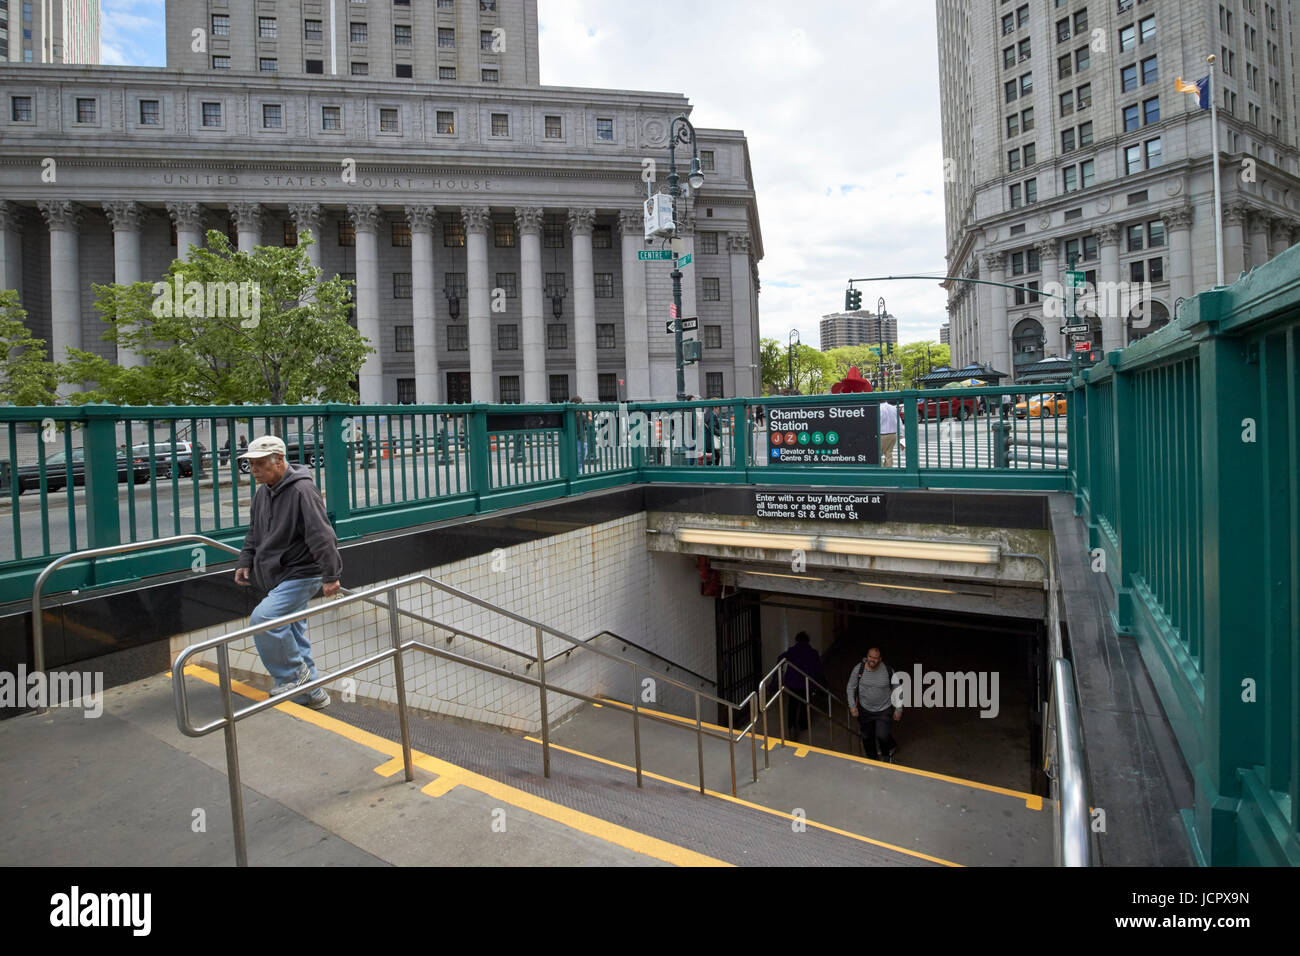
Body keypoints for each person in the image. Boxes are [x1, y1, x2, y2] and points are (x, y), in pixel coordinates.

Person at [235, 436, 342, 708]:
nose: (255, 470)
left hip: (302, 573)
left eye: (260, 464)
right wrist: (245, 560)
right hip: (276, 574)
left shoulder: (302, 491)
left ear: (279, 460)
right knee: (292, 632)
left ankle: (294, 676)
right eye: (252, 465)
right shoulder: (263, 493)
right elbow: (254, 532)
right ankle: (314, 694)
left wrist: (331, 575)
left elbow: (321, 535)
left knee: (265, 620)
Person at [847, 647, 902, 760]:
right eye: (870, 657)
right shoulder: (859, 669)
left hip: (884, 710)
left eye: (875, 658)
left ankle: (886, 757)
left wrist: (898, 709)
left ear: (880, 659)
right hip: (864, 710)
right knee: (867, 737)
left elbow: (897, 689)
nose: (872, 660)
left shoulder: (888, 670)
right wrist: (852, 706)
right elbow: (850, 688)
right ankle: (873, 760)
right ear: (867, 657)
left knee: (882, 736)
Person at [777, 631, 826, 734]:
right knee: (805, 703)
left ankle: (791, 726)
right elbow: (818, 670)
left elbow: (780, 658)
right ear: (808, 641)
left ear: (796, 640)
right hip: (806, 683)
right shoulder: (813, 653)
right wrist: (822, 684)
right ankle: (803, 724)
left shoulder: (792, 651)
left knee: (792, 705)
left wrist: (779, 674)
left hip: (793, 683)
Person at [879, 400, 899, 468]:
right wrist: (901, 435)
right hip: (893, 434)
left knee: (877, 455)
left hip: (881, 434)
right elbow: (899, 421)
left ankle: (880, 471)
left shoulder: (878, 408)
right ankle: (889, 470)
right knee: (889, 454)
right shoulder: (893, 408)